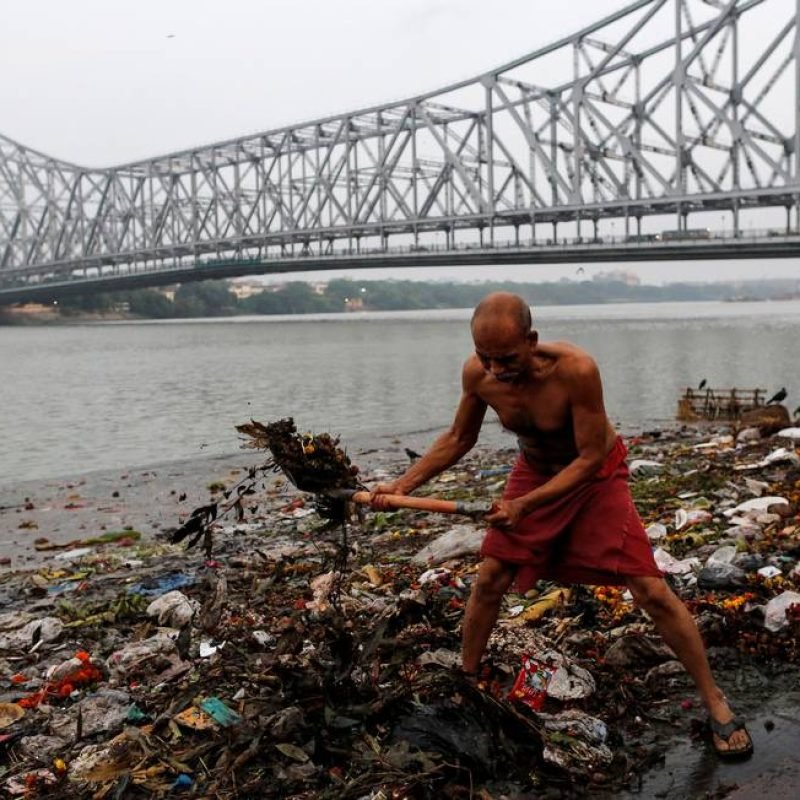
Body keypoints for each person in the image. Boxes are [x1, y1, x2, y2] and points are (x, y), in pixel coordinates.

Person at [371, 291, 753, 760]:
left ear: (532, 341)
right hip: (534, 469)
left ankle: (715, 700)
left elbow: (592, 457)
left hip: (595, 476)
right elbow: (458, 438)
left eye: (506, 358)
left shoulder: (576, 370)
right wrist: (401, 486)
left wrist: (524, 506)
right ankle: (467, 681)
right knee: (490, 576)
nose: (495, 370)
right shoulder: (479, 374)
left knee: (649, 589)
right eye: (484, 357)